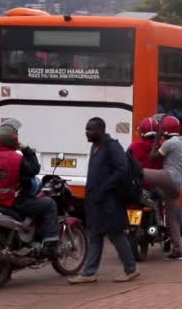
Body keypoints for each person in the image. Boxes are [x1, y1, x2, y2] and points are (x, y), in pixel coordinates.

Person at [69, 117, 139, 284]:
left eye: (90, 129)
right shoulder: (96, 147)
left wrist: (105, 188)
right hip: (95, 200)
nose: (87, 132)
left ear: (100, 130)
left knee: (115, 234)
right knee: (95, 235)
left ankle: (131, 269)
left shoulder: (112, 146)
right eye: (86, 129)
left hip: (109, 200)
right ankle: (89, 273)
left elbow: (122, 170)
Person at [0, 119, 58, 258]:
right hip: (11, 202)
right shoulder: (16, 159)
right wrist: (26, 149)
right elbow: (34, 170)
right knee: (49, 204)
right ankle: (50, 245)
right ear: (14, 140)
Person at [127, 117, 182, 238]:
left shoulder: (134, 146)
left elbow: (127, 162)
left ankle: (128, 227)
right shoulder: (165, 146)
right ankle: (179, 228)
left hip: (137, 188)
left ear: (141, 132)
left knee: (130, 204)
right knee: (172, 203)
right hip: (157, 188)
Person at [142, 116, 182, 260]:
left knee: (139, 173)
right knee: (171, 219)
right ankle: (177, 251)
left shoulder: (168, 143)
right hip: (179, 184)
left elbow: (152, 158)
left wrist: (157, 139)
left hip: (169, 177)